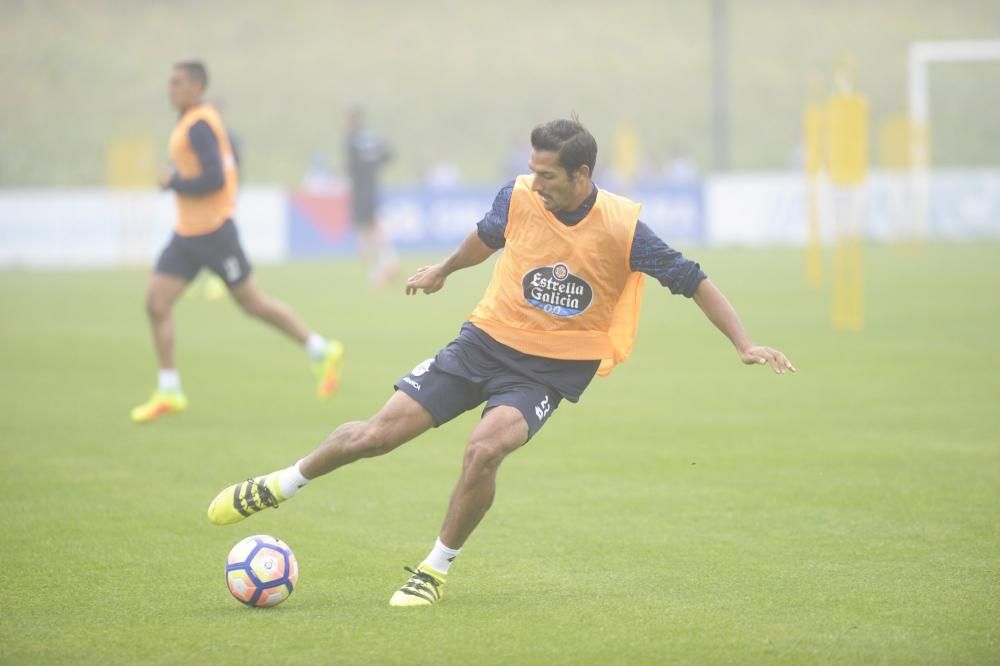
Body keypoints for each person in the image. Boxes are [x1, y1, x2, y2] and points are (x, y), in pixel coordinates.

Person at [206, 118, 795, 607]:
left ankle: (433, 569)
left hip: (550, 369)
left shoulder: (624, 227)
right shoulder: (517, 195)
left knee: (484, 448)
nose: (536, 183)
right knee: (376, 435)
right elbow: (487, 237)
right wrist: (442, 269)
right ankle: (282, 483)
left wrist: (744, 343)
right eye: (533, 170)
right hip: (483, 342)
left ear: (582, 174)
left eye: (548, 175)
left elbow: (694, 281)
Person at [130, 62, 344, 423]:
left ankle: (320, 349)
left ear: (197, 87)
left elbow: (213, 178)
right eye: (169, 82)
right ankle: (169, 389)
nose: (171, 89)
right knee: (156, 302)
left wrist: (173, 182)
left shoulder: (199, 124)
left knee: (253, 304)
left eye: (178, 82)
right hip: (187, 234)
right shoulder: (196, 120)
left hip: (214, 233)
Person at [345, 104, 399, 288]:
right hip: (372, 189)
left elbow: (350, 168)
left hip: (361, 192)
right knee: (372, 229)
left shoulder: (352, 139)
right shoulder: (372, 139)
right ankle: (386, 264)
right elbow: (389, 155)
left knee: (367, 234)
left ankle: (381, 269)